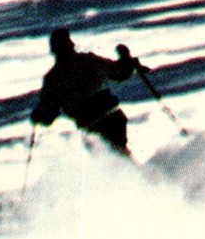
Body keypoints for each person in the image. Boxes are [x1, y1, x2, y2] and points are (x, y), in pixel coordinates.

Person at [30, 27, 143, 156]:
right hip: (112, 117)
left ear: (54, 51)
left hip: (89, 125)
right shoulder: (89, 60)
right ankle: (139, 173)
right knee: (120, 153)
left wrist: (39, 115)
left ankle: (130, 173)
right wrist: (126, 60)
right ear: (71, 45)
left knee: (107, 162)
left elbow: (49, 115)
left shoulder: (52, 78)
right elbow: (119, 72)